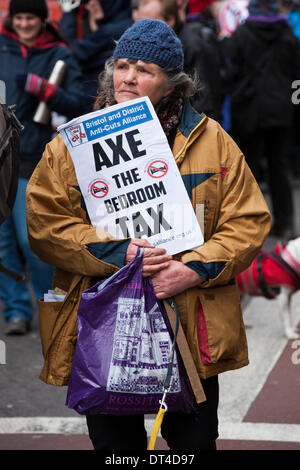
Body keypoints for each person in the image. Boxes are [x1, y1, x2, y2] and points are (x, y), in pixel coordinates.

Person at [26, 19, 271, 451]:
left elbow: (247, 221)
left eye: (144, 70)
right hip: (105, 324)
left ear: (171, 83)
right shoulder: (72, 145)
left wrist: (192, 269)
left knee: (192, 446)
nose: (129, 78)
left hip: (188, 326)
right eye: (122, 66)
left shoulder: (213, 141)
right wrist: (120, 252)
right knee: (116, 447)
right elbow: (46, 226)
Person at [0, 0, 86, 335]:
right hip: (0, 159)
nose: (24, 24)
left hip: (34, 158)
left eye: (30, 18)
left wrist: (47, 91)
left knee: (32, 241)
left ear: (42, 20)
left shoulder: (59, 55)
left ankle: (53, 304)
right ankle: (17, 310)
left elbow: (79, 103)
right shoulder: (1, 49)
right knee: (3, 244)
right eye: (18, 17)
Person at [226, 0, 300, 240]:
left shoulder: (242, 34)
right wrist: (294, 105)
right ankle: (286, 222)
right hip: (281, 110)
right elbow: (296, 73)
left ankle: (250, 227)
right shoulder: (287, 34)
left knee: (250, 169)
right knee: (279, 164)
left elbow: (231, 72)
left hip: (249, 109)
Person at [132, 0, 226, 122]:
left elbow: (206, 101)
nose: (140, 32)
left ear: (170, 20)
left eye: (149, 24)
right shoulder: (147, 47)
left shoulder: (194, 47)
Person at [59, 0, 133, 109]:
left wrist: (69, 12)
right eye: (86, 1)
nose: (90, 4)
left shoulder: (113, 30)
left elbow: (72, 50)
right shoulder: (119, 23)